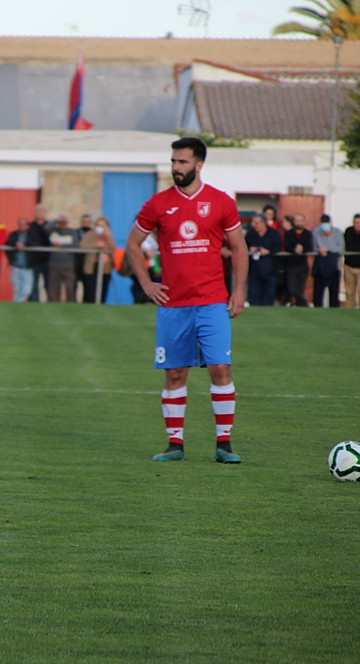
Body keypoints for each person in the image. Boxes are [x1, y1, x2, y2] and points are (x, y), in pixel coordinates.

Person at [124, 136, 248, 465]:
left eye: (182, 162)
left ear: (199, 164)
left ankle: (224, 444)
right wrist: (147, 283)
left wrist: (239, 291)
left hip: (212, 301)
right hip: (173, 305)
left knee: (220, 369)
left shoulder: (221, 202)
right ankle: (174, 445)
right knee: (175, 374)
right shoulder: (157, 204)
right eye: (174, 162)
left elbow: (239, 248)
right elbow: (133, 244)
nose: (176, 167)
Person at [245, 214, 280, 306]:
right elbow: (244, 246)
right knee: (254, 293)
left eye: (257, 223)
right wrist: (251, 249)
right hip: (254, 269)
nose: (254, 225)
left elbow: (278, 246)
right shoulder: (250, 234)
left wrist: (268, 251)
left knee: (268, 294)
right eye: (253, 223)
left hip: (270, 269)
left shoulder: (274, 233)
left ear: (263, 223)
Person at [80, 216, 115, 303]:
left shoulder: (109, 235)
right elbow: (82, 245)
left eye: (103, 225)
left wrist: (108, 235)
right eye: (98, 225)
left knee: (103, 290)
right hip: (91, 266)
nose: (100, 227)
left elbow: (112, 247)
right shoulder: (90, 234)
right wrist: (96, 245)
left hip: (104, 267)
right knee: (90, 290)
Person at [311, 214, 343, 308]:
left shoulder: (337, 232)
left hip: (333, 266)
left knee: (333, 292)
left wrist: (328, 249)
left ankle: (334, 311)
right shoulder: (316, 233)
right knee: (318, 292)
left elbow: (341, 247)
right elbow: (313, 247)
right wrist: (319, 250)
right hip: (320, 265)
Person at [47, 214, 80, 302]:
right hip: (54, 265)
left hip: (68, 266)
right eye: (60, 222)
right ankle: (54, 306)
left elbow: (75, 245)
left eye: (64, 222)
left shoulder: (72, 232)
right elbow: (46, 229)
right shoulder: (53, 231)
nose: (62, 224)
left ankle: (71, 307)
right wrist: (55, 220)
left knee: (70, 288)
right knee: (54, 289)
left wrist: (62, 245)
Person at [342, 214, 360, 309]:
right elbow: (349, 246)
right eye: (356, 223)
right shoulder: (349, 231)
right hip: (349, 265)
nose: (358, 225)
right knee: (349, 291)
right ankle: (350, 309)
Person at [283, 213, 313, 307]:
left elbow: (310, 247)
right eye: (297, 221)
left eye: (301, 221)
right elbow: (287, 246)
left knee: (300, 288)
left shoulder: (308, 234)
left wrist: (303, 248)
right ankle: (305, 305)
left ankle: (300, 308)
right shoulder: (289, 233)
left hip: (303, 264)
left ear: (304, 222)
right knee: (293, 289)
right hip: (292, 264)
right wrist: (294, 249)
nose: (299, 223)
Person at [26, 204, 51, 302]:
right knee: (33, 285)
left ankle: (51, 303)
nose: (40, 212)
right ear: (34, 212)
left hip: (48, 260)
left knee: (48, 285)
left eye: (42, 210)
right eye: (38, 210)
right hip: (34, 261)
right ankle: (34, 303)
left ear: (45, 212)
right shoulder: (30, 226)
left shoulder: (50, 226)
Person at [6, 216, 33, 302]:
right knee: (16, 290)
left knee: (27, 290)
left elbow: (35, 243)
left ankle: (17, 303)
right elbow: (7, 243)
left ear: (27, 226)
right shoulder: (14, 234)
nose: (22, 227)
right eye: (20, 225)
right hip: (16, 267)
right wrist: (15, 243)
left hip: (27, 268)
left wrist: (25, 244)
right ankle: (18, 308)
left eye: (24, 225)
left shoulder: (31, 235)